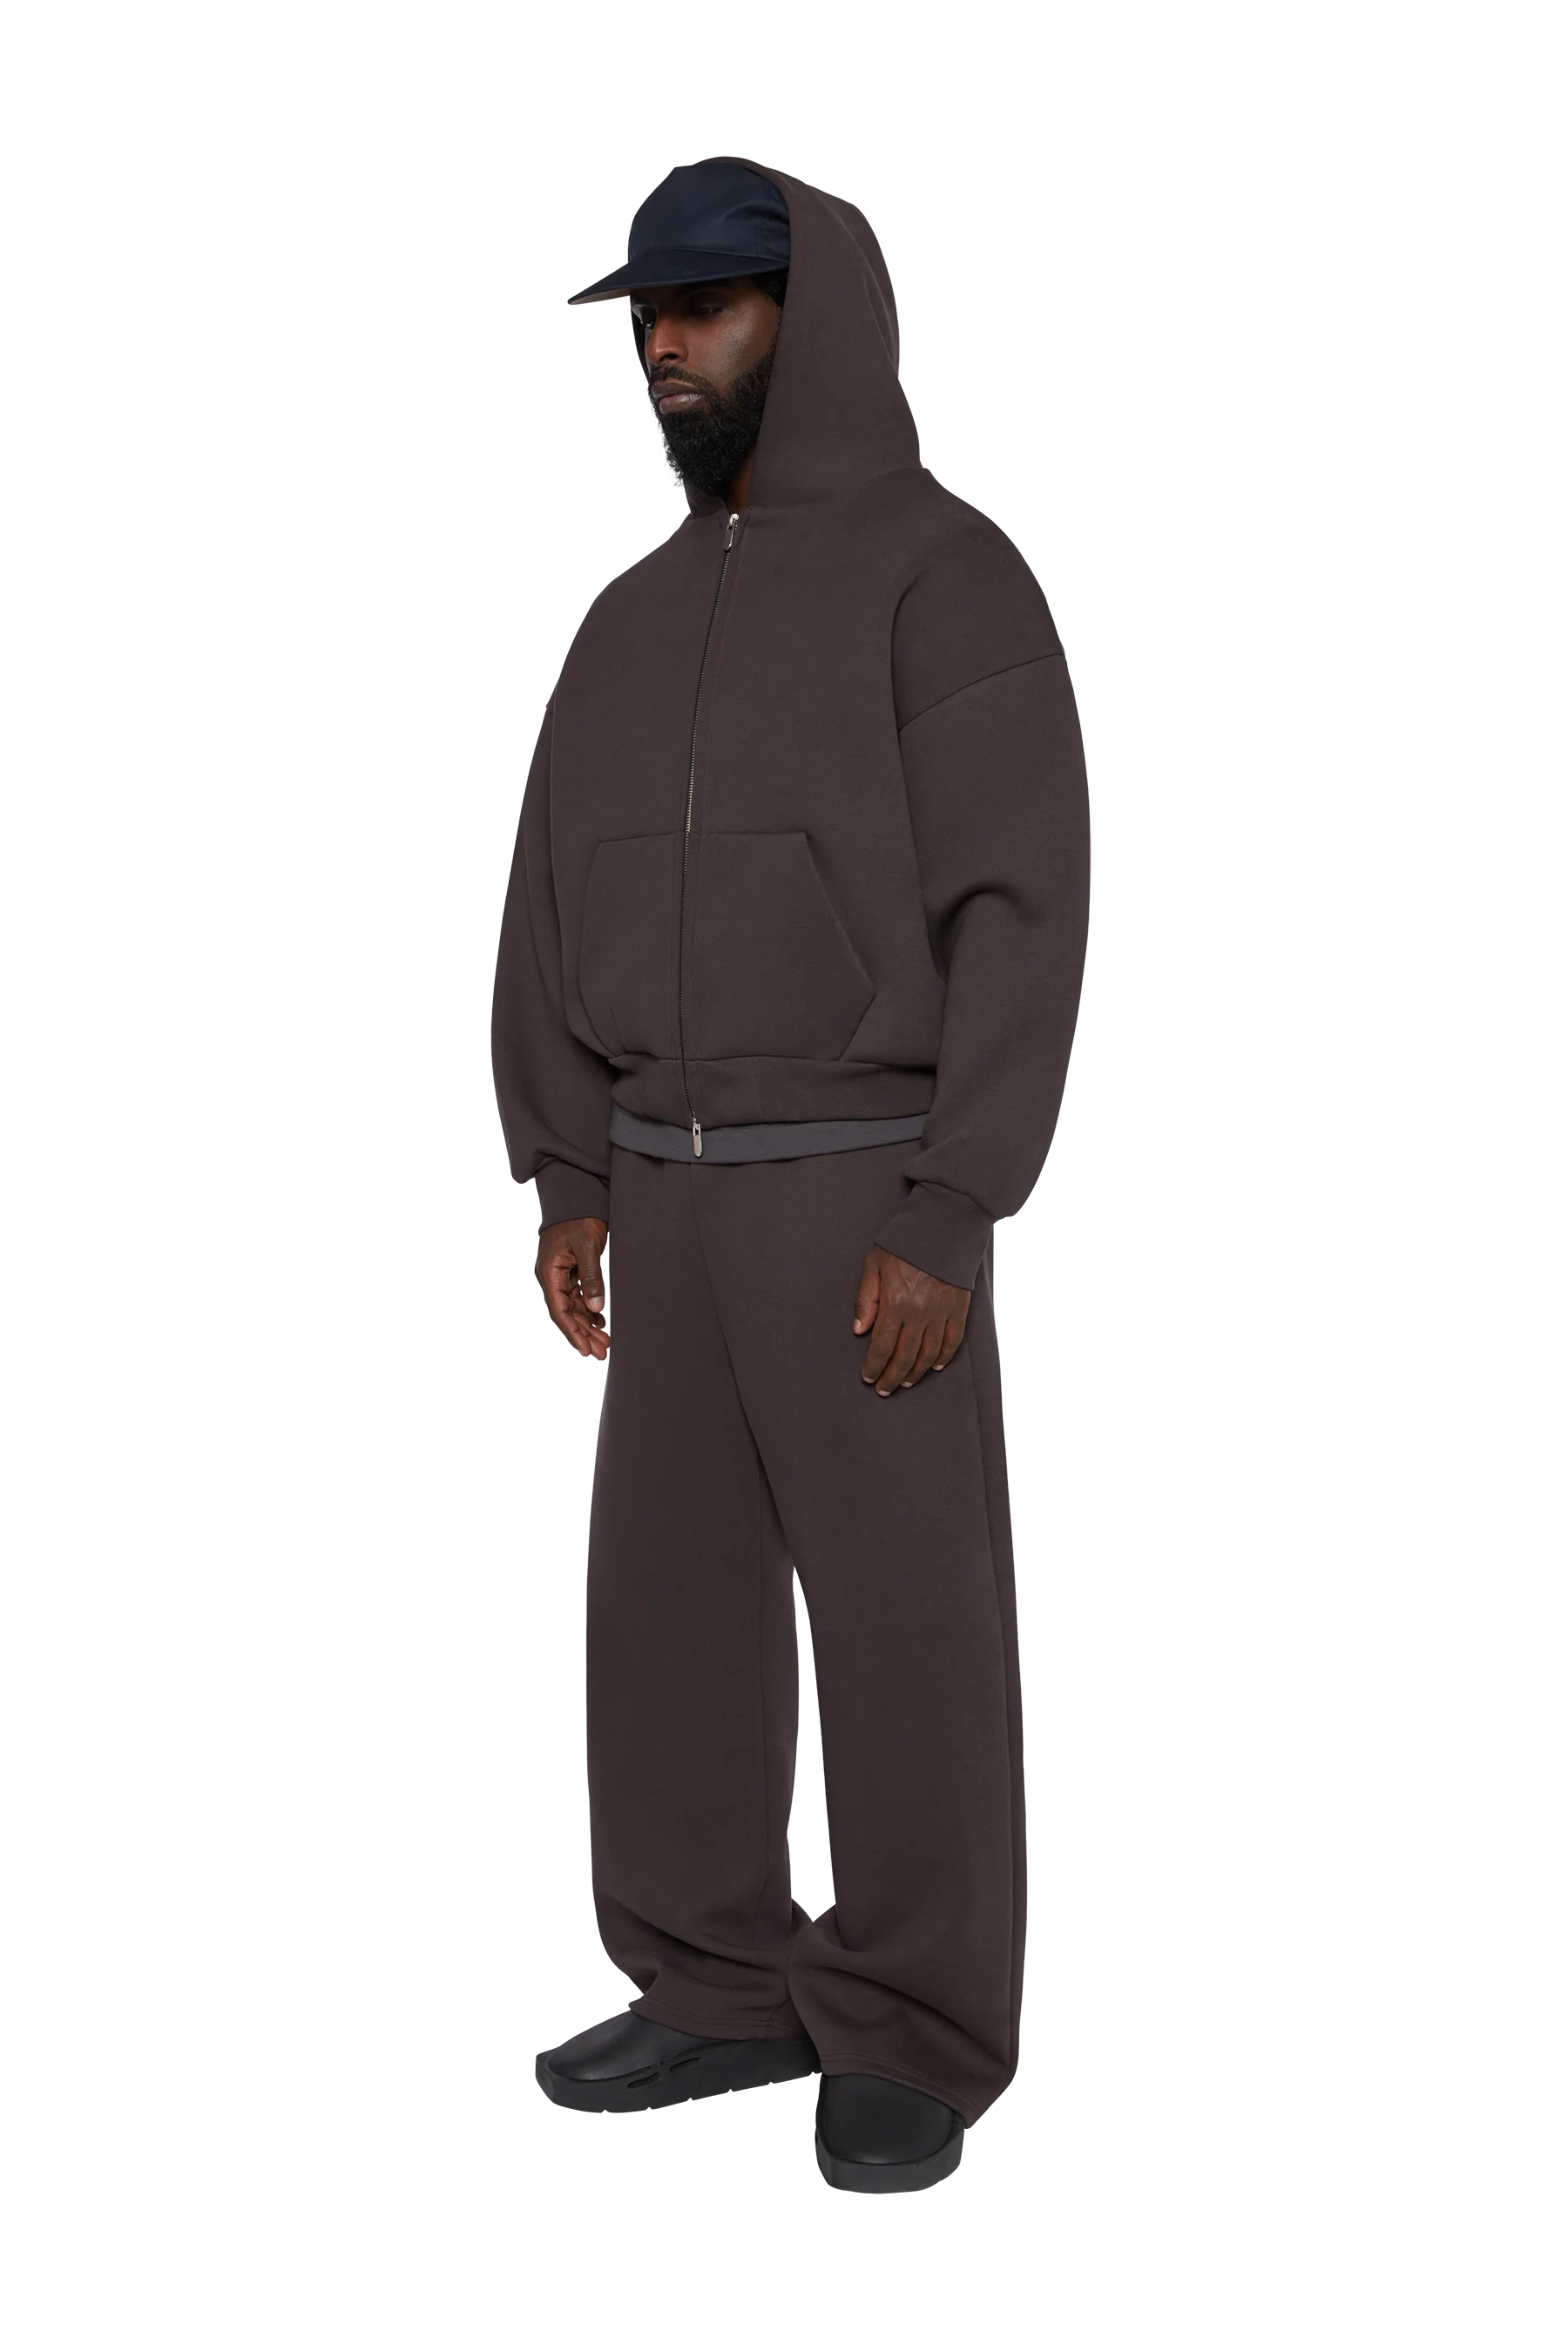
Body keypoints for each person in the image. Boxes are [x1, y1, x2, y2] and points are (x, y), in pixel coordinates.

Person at [493, 157, 1092, 2193]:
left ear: (807, 318)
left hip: (859, 1184)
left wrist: (954, 1199)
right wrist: (565, 1171)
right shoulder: (631, 617)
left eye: (707, 307)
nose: (663, 345)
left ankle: (916, 2025)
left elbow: (1022, 909)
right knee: (668, 1614)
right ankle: (715, 1982)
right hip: (658, 1186)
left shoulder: (948, 578)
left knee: (906, 1622)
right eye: (648, 315)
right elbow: (541, 907)